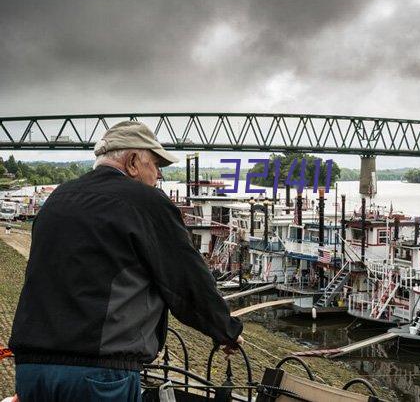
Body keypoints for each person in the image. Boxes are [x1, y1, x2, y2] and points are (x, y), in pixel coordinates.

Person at [9, 121, 244, 401]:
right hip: (98, 374)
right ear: (133, 162)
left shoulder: (58, 198)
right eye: (156, 165)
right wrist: (226, 331)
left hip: (32, 369)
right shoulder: (145, 202)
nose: (158, 175)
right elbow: (185, 282)